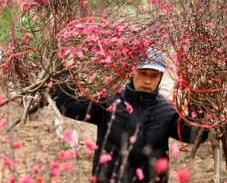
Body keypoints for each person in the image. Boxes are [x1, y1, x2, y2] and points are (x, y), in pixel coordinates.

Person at [54, 48, 209, 183]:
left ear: (160, 78)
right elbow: (69, 106)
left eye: (154, 75)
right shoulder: (109, 102)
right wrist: (63, 68)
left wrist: (202, 102)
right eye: (143, 73)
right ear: (132, 73)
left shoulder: (166, 111)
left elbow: (194, 135)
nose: (148, 80)